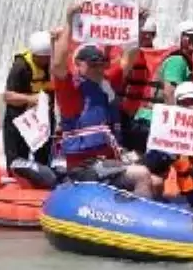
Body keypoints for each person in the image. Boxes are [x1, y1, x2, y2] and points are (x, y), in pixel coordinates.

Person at [49, 30, 153, 197]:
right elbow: (58, 66)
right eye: (92, 64)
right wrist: (68, 22)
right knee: (142, 175)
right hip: (83, 167)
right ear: (78, 64)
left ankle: (129, 209)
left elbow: (128, 59)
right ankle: (138, 219)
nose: (98, 68)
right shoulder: (70, 91)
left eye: (100, 64)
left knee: (156, 182)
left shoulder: (106, 84)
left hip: (108, 162)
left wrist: (136, 25)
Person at [128, 20, 193, 154]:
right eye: (189, 36)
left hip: (150, 121)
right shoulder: (177, 61)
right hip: (151, 122)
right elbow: (169, 94)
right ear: (179, 37)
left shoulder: (187, 61)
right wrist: (181, 119)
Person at [143, 82, 193, 210]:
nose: (189, 106)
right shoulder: (166, 128)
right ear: (177, 104)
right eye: (184, 102)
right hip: (184, 193)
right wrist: (170, 154)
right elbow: (151, 162)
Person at [2, 29, 57, 189]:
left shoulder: (53, 65)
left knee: (44, 159)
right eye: (45, 58)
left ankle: (42, 187)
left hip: (42, 120)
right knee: (18, 161)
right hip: (20, 119)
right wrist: (30, 99)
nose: (47, 61)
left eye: (49, 57)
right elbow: (8, 96)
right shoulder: (21, 66)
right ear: (36, 55)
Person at [116, 16, 160, 150]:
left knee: (140, 147)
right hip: (125, 109)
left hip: (145, 112)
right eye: (144, 33)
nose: (146, 37)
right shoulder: (127, 54)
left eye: (150, 34)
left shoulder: (158, 56)